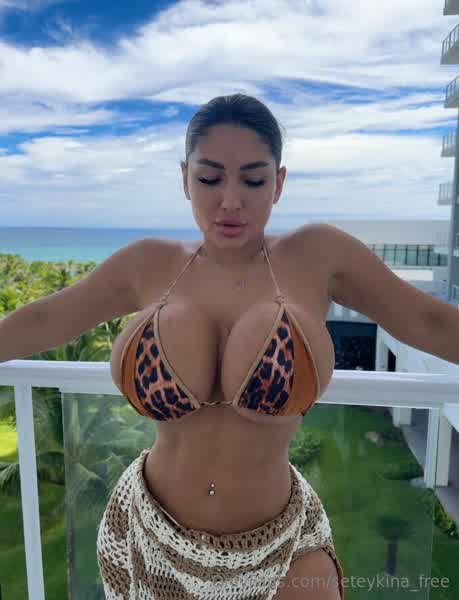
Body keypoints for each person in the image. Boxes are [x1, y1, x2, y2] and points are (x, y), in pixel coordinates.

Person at [0, 93, 345, 599]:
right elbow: (49, 317)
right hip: (149, 535)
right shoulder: (150, 264)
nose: (231, 200)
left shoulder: (316, 257)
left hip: (281, 543)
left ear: (279, 182)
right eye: (209, 179)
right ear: (185, 178)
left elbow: (425, 318)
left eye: (253, 180)